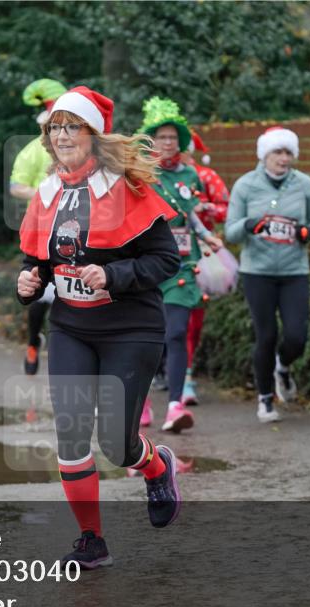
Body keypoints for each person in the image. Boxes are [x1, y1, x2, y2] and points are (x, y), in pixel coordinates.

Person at [16, 86, 183, 568]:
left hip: (131, 328)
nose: (62, 135)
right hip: (71, 326)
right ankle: (91, 539)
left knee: (117, 445)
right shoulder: (46, 194)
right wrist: (28, 284)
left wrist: (114, 274)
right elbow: (37, 264)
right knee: (70, 434)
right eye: (55, 127)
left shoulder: (127, 189)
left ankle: (156, 464)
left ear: (92, 135)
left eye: (72, 126)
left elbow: (165, 259)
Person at [224, 126, 310, 423]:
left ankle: (283, 365)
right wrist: (249, 225)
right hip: (257, 272)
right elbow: (230, 230)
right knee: (266, 335)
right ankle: (265, 400)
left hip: (295, 271)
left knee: (297, 336)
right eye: (277, 152)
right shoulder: (245, 185)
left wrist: (309, 232)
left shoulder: (305, 184)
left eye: (288, 153)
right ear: (264, 155)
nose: (284, 158)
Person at [136, 97, 223, 434]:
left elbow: (189, 215)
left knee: (175, 333)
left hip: (183, 265)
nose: (168, 143)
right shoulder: (139, 175)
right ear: (151, 140)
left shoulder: (190, 174)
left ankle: (174, 405)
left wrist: (206, 236)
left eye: (173, 138)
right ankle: (140, 401)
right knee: (147, 337)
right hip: (147, 265)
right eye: (161, 137)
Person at [11, 78, 65, 375]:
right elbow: (15, 186)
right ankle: (33, 341)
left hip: (72, 230)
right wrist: (44, 193)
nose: (60, 135)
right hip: (41, 228)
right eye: (54, 127)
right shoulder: (33, 151)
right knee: (38, 296)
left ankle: (63, 353)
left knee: (65, 296)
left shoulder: (82, 151)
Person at [181, 129, 230, 406]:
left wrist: (204, 209)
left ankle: (187, 374)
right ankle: (170, 368)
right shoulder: (157, 176)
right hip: (167, 254)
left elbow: (227, 207)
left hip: (203, 252)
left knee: (195, 317)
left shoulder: (205, 176)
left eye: (183, 148)